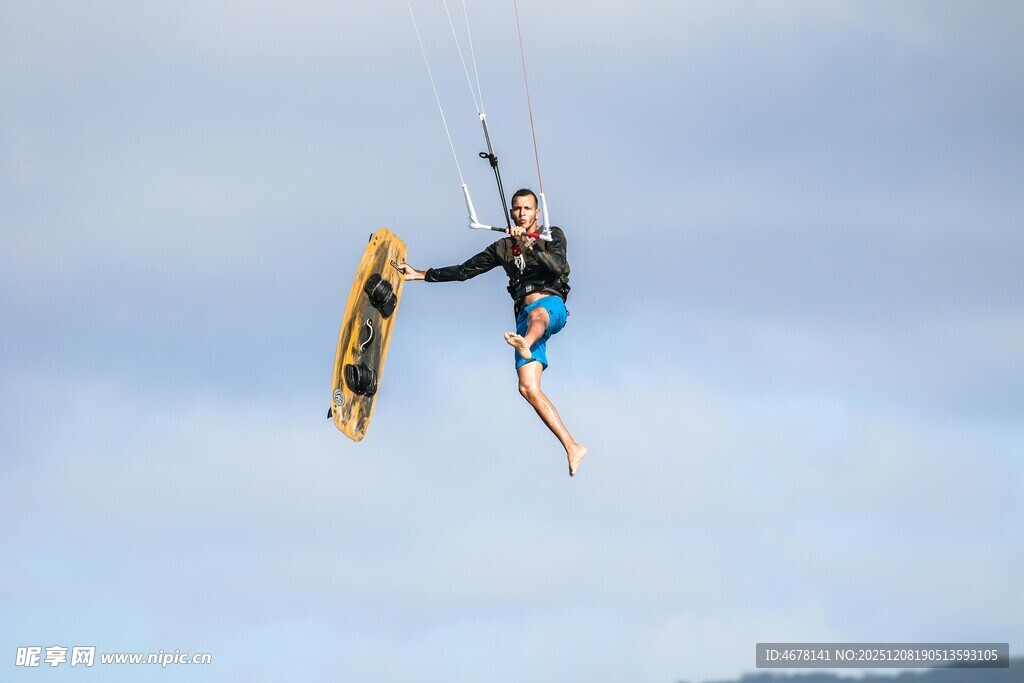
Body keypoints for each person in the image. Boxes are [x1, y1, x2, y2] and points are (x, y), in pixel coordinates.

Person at [401, 188, 588, 476]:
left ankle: (526, 342)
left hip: (551, 307)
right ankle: (572, 447)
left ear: (537, 213)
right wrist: (421, 274)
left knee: (538, 314)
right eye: (517, 209)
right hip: (524, 320)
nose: (522, 213)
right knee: (527, 387)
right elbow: (465, 270)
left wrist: (531, 243)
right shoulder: (502, 248)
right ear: (511, 213)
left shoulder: (552, 235)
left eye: (527, 209)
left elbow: (560, 265)